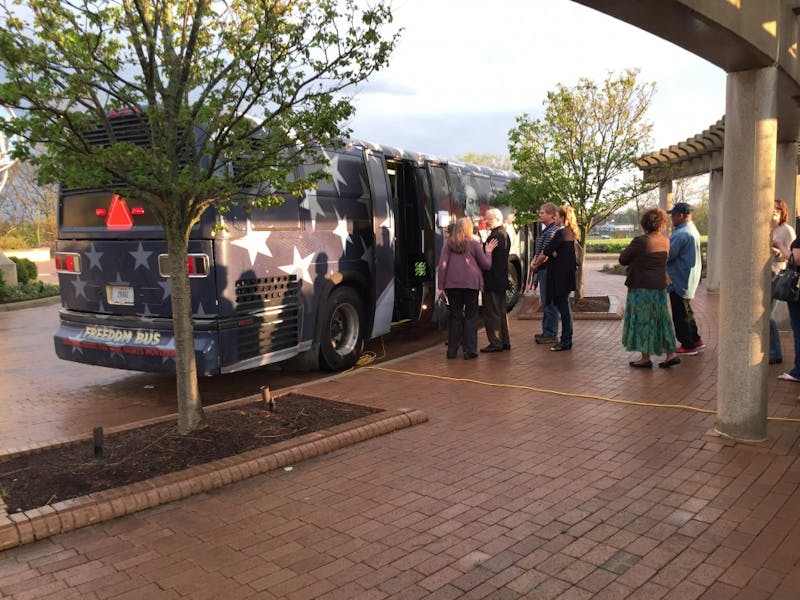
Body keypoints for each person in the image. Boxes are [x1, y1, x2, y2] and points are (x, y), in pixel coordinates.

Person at [619, 207, 680, 368]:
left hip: (642, 287)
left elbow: (623, 259)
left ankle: (645, 358)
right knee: (662, 319)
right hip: (659, 285)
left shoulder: (642, 241)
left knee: (643, 320)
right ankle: (670, 354)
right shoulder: (665, 240)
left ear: (645, 223)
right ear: (661, 224)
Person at [437, 217, 497, 359]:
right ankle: (470, 351)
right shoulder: (474, 243)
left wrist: (441, 285)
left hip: (452, 285)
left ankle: (452, 351)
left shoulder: (448, 243)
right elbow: (486, 265)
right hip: (471, 284)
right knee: (471, 316)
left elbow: (442, 264)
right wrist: (488, 251)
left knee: (455, 316)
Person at [666, 202, 704, 355]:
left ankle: (688, 345)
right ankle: (695, 339)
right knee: (687, 311)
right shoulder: (692, 230)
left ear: (681, 215)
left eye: (673, 215)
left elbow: (668, 254)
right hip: (688, 277)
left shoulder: (681, 233)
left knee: (680, 314)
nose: (671, 219)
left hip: (679, 278)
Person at [541, 205, 578, 351]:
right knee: (565, 308)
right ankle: (566, 338)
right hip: (567, 276)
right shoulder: (571, 233)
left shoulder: (561, 233)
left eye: (556, 216)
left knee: (563, 309)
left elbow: (547, 250)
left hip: (559, 277)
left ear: (562, 218)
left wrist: (553, 252)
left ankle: (566, 340)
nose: (554, 219)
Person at [480, 208, 511, 353]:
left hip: (492, 280)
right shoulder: (505, 234)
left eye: (488, 219)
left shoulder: (493, 237)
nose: (485, 221)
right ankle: (504, 341)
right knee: (501, 311)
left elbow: (486, 260)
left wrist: (484, 251)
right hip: (502, 280)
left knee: (492, 313)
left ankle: (495, 342)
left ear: (497, 219)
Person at [769, 199, 796, 364]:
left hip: (777, 272)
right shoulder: (766, 228)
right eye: (772, 208)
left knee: (768, 314)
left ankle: (775, 351)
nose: (774, 211)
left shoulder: (787, 230)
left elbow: (791, 256)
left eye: (778, 208)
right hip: (763, 273)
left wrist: (776, 250)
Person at [529, 203, 559, 344]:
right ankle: (546, 331)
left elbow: (545, 253)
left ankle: (550, 333)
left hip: (547, 270)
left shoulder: (551, 232)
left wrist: (535, 265)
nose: (540, 215)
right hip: (543, 269)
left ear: (551, 215)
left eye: (542, 213)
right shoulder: (546, 230)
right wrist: (533, 262)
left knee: (549, 301)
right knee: (546, 301)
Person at [775, 232, 800, 381]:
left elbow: (796, 259)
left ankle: (798, 371)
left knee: (798, 328)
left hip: (797, 291)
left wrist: (780, 245)